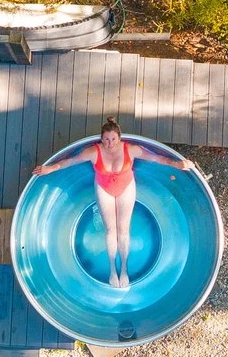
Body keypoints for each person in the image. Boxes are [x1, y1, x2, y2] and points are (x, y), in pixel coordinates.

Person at [31, 120, 187, 286]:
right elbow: (70, 161)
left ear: (119, 138)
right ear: (101, 139)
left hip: (125, 187)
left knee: (124, 229)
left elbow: (156, 158)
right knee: (110, 229)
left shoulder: (130, 149)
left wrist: (177, 164)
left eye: (113, 139)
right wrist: (50, 168)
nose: (109, 143)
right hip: (104, 188)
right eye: (106, 139)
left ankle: (124, 269)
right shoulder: (93, 152)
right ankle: (113, 269)